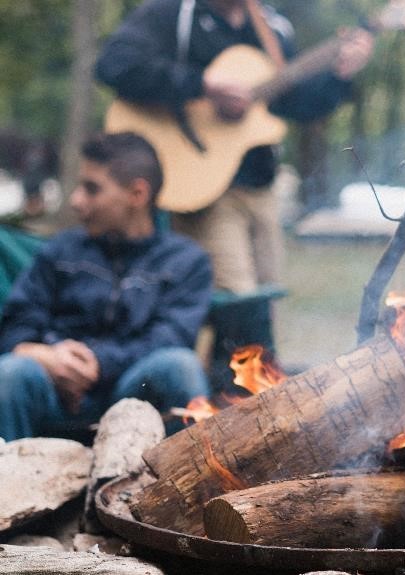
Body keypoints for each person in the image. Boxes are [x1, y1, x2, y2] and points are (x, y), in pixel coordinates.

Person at [95, 0, 374, 293]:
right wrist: (201, 85)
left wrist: (339, 76)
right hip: (201, 185)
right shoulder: (174, 14)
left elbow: (296, 105)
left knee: (267, 298)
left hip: (260, 187)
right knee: (235, 298)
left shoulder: (272, 28)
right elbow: (114, 65)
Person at [0, 132, 213, 441]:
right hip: (55, 392)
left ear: (137, 194)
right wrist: (46, 356)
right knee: (11, 372)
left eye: (92, 189)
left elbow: (170, 337)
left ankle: (195, 486)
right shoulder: (60, 250)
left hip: (132, 392)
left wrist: (97, 363)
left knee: (180, 366)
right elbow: (16, 325)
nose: (76, 201)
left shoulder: (186, 261)